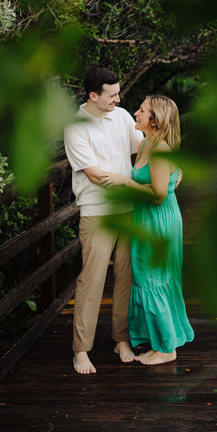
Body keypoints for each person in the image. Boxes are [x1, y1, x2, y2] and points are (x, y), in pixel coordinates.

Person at [63, 67, 143, 375]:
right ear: (93, 96)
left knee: (126, 276)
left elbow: (142, 148)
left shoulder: (121, 116)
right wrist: (131, 182)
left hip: (127, 210)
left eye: (118, 93)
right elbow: (96, 176)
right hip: (96, 211)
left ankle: (121, 339)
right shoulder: (75, 126)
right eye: (112, 95)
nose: (118, 99)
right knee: (92, 279)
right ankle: (81, 350)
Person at [104, 95, 194, 365]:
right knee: (149, 276)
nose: (136, 112)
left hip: (157, 218)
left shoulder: (160, 150)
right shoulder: (145, 143)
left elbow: (157, 196)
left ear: (155, 121)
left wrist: (124, 182)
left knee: (152, 278)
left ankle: (167, 349)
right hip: (145, 217)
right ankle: (159, 339)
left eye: (142, 111)